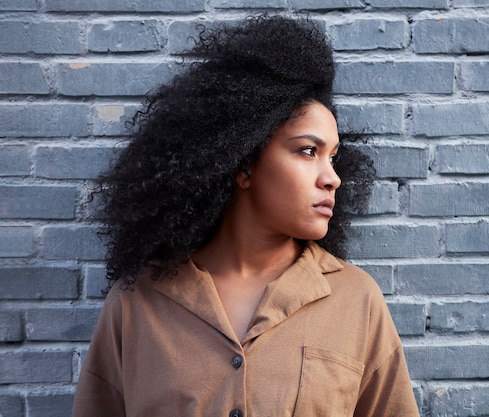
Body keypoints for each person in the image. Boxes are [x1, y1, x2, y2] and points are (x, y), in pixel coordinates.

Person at [72, 15, 420, 417]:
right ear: (243, 163)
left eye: (334, 157)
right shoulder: (136, 303)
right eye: (308, 151)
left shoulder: (356, 300)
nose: (333, 179)